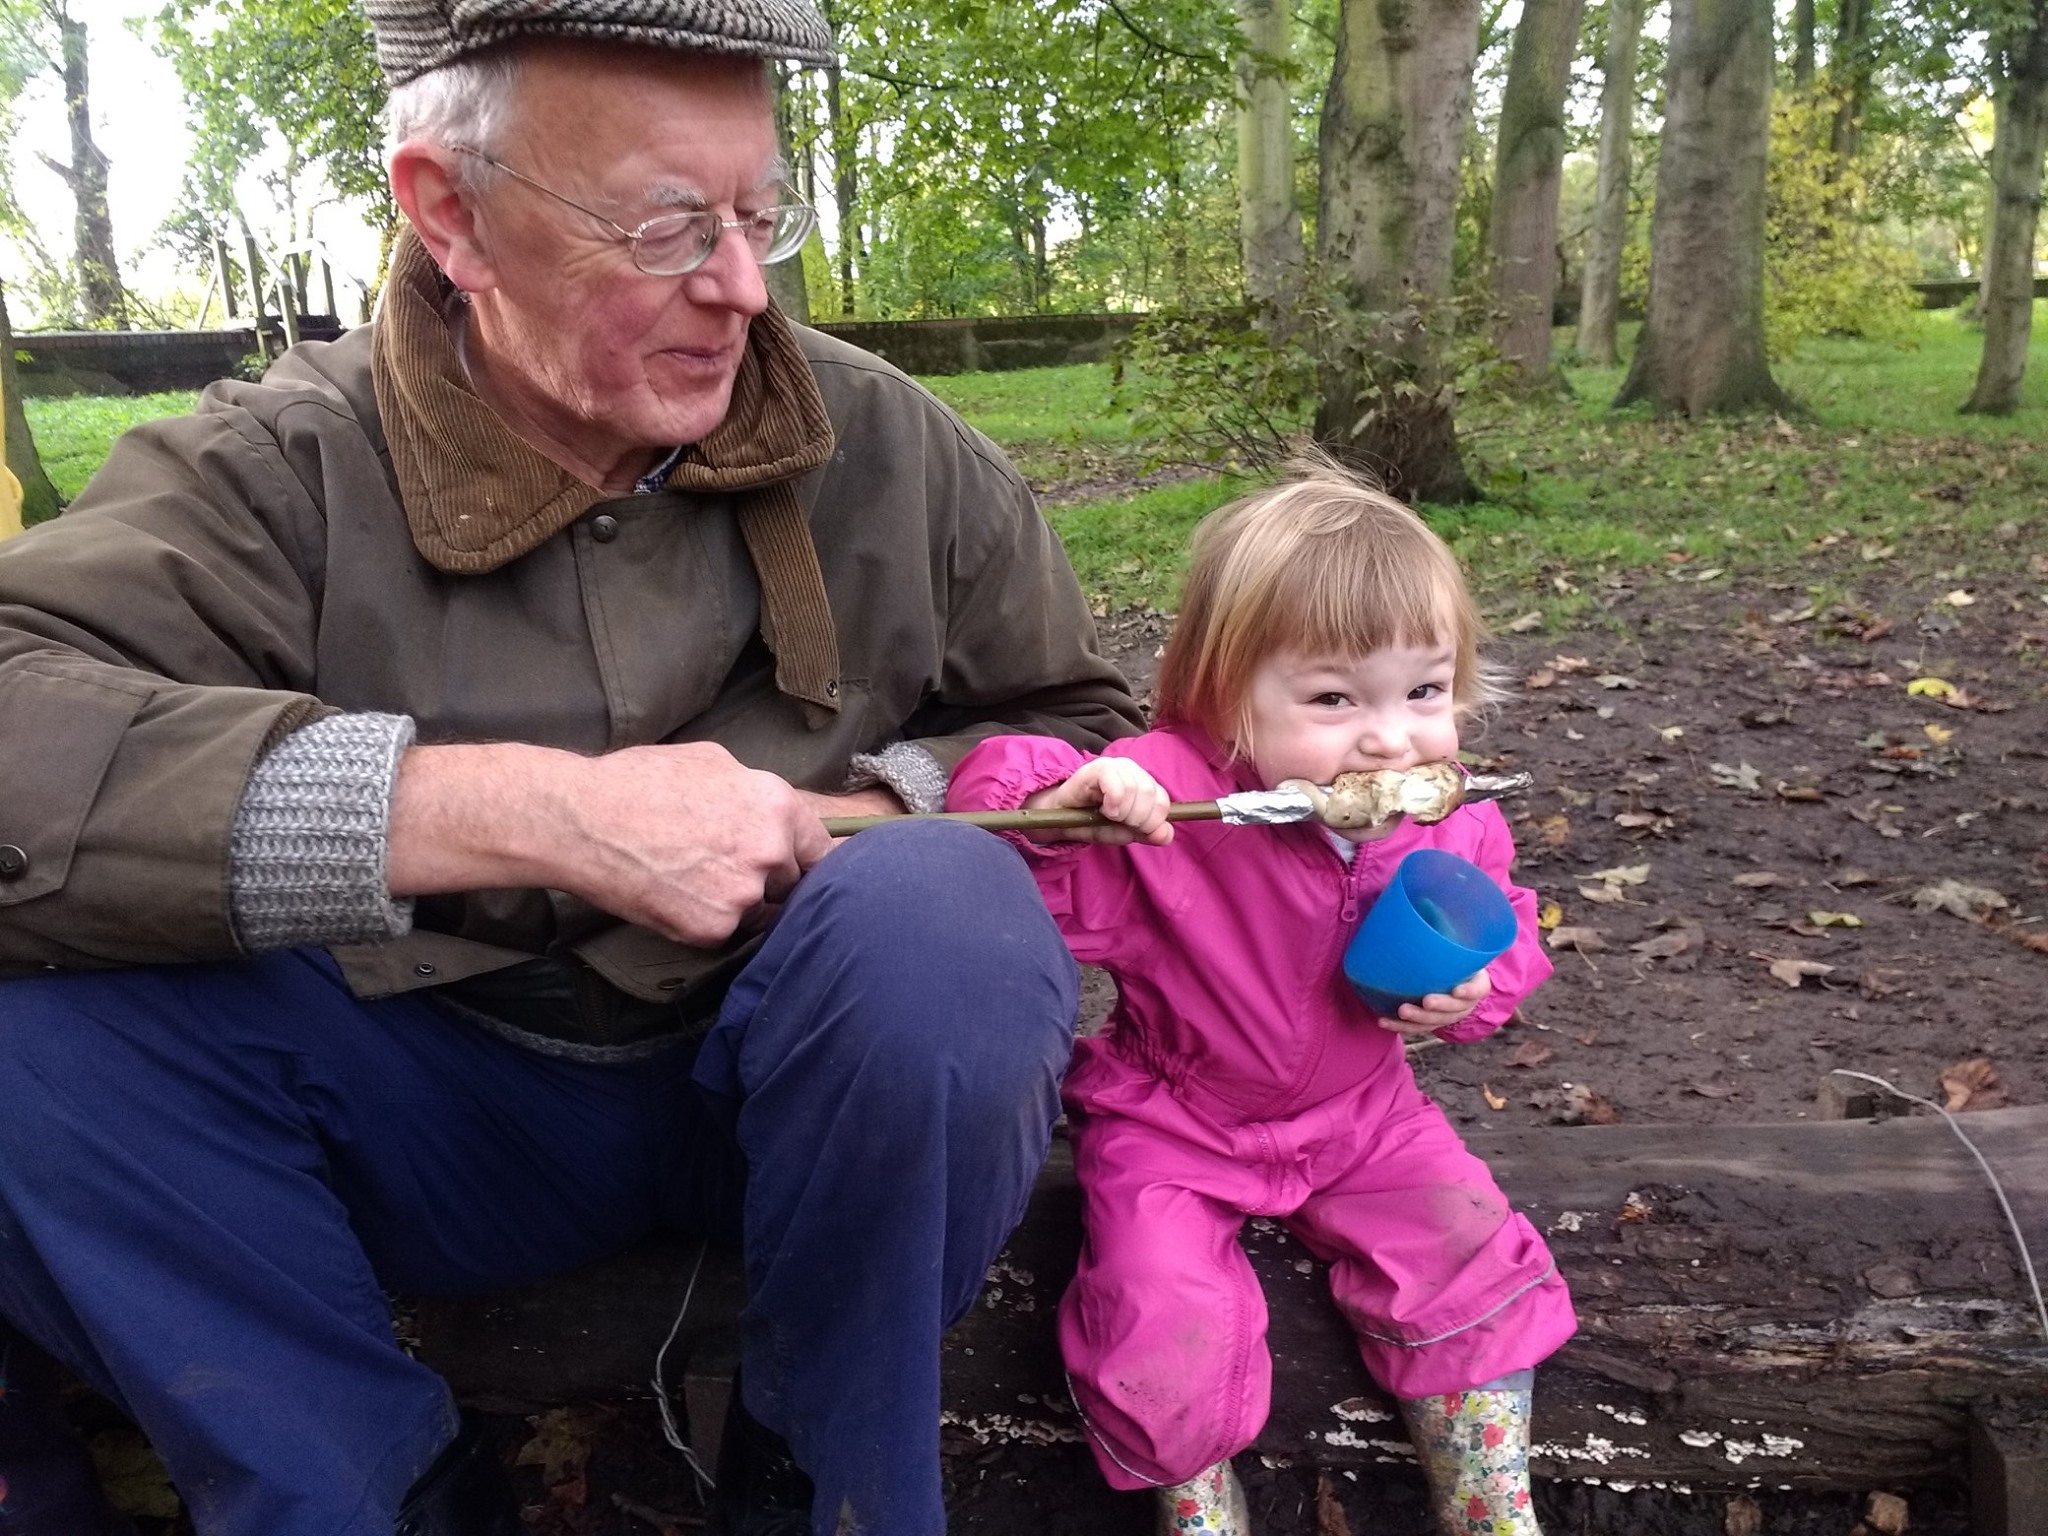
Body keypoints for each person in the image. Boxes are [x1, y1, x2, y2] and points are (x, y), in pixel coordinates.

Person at [0, 1, 1144, 1532]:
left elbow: (1088, 739)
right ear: (450, 214)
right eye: (668, 225)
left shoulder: (893, 448)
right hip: (422, 1117)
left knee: (945, 916)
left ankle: (823, 1481)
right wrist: (527, 813)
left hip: (795, 1094)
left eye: (758, 211)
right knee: (30, 1045)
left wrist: (869, 813)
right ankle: (373, 1488)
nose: (742, 287)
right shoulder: (277, 471)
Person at [946, 459, 1577, 1535]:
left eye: (1424, 692)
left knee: (1466, 1251)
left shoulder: (1452, 823)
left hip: (1364, 1119)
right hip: (1176, 1120)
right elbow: (1018, 859)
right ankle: (1197, 1509)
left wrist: (1473, 990)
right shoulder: (1172, 809)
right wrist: (1064, 799)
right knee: (1156, 1311)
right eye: (1333, 699)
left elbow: (1502, 932)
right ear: (1222, 696)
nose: (1389, 738)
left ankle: (1487, 1503)